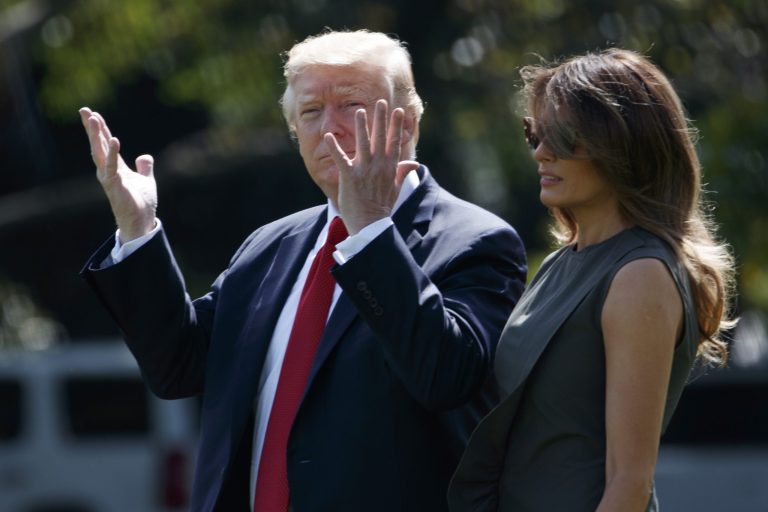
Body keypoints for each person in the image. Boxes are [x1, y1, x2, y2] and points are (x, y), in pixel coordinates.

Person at [79, 29, 527, 512]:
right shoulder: (271, 245)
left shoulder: (475, 241)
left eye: (352, 105)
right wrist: (139, 228)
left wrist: (370, 231)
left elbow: (444, 377)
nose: (330, 128)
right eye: (311, 112)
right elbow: (178, 369)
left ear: (408, 123)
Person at [447, 48, 736, 512]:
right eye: (535, 133)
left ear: (626, 145)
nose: (540, 151)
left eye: (564, 137)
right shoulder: (560, 263)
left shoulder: (639, 274)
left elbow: (629, 483)